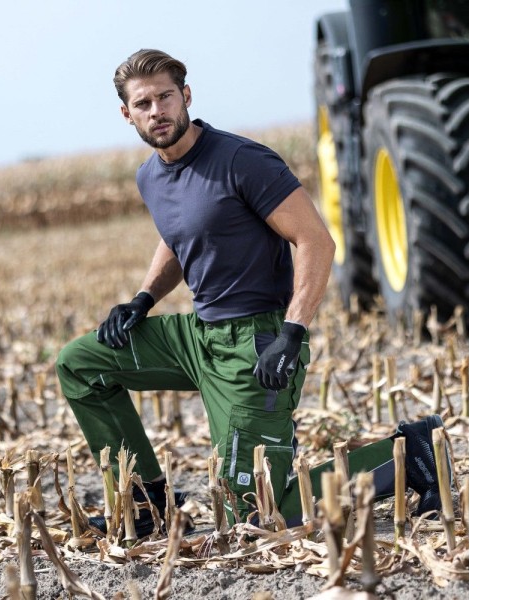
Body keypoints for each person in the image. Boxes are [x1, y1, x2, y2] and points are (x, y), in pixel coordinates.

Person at [55, 48, 448, 535]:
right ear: (126, 114)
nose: (156, 111)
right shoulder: (150, 176)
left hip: (256, 344)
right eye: (143, 104)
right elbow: (181, 235)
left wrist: (292, 333)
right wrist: (143, 298)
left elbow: (316, 241)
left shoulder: (241, 161)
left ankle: (414, 453)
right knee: (80, 363)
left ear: (186, 96)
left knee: (259, 514)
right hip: (198, 337)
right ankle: (143, 502)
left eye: (165, 97)